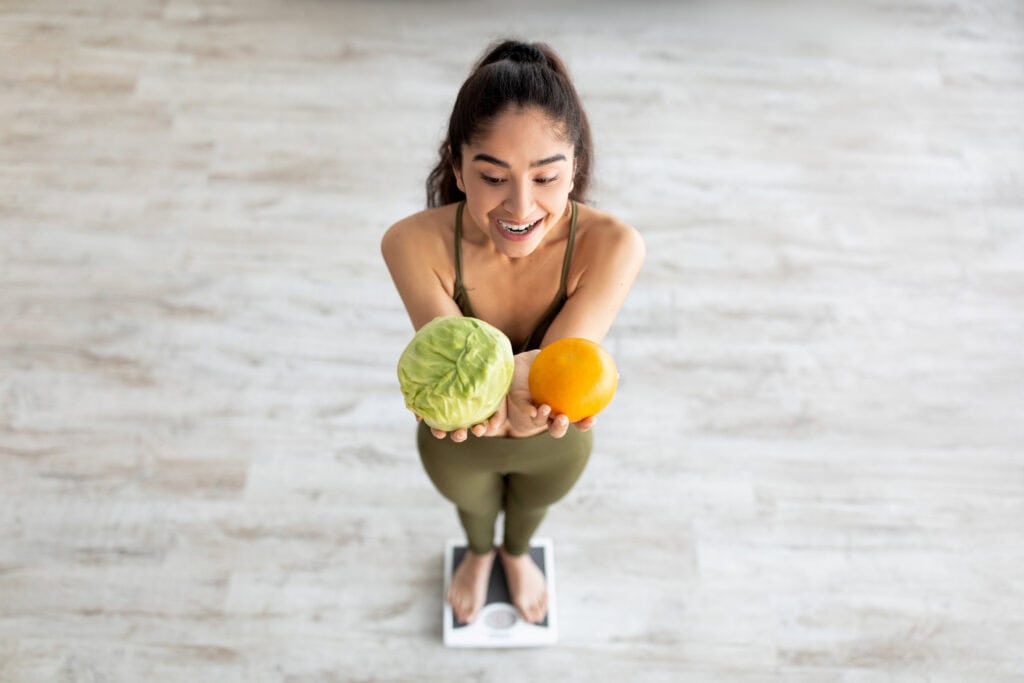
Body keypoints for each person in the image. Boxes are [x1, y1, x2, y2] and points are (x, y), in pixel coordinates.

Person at [381, 39, 644, 626]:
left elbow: (547, 374)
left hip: (556, 440)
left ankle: (517, 553)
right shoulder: (410, 243)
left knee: (533, 505)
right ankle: (479, 554)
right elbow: (461, 365)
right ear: (456, 165)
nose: (520, 206)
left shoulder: (614, 246)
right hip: (458, 442)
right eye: (493, 176)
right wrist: (522, 389)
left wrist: (522, 393)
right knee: (471, 508)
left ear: (575, 166)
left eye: (547, 177)